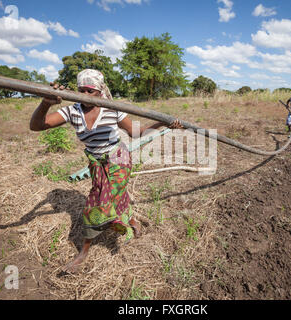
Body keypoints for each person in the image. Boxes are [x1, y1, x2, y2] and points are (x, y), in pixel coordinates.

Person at [30, 69, 183, 272]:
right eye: (81, 90)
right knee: (115, 193)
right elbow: (36, 126)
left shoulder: (112, 109)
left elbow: (136, 133)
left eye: (90, 90)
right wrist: (46, 103)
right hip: (96, 163)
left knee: (98, 202)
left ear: (100, 91)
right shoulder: (72, 111)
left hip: (118, 158)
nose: (84, 94)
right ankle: (131, 219)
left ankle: (83, 252)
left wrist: (163, 123)